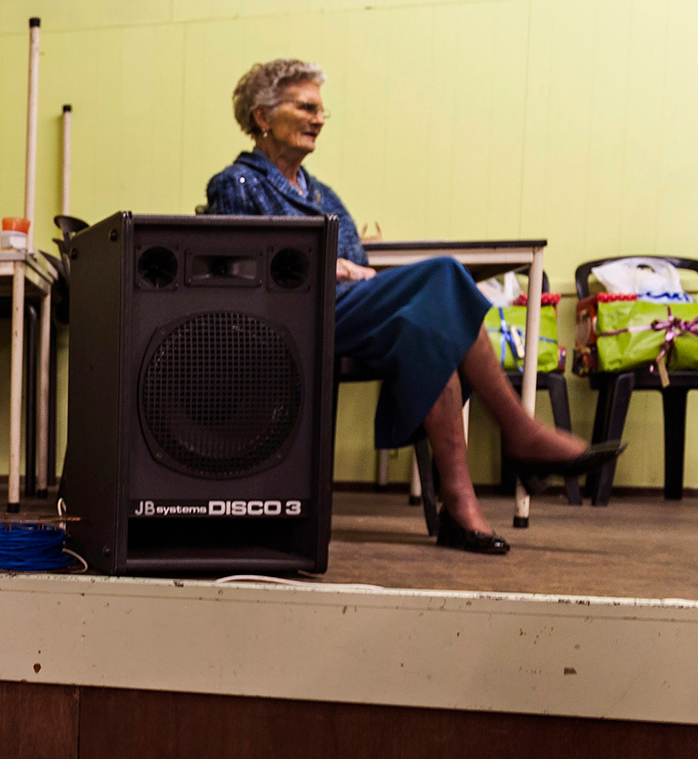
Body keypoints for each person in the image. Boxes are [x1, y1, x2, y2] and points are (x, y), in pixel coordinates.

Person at [206, 59, 623, 553]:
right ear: (262, 118)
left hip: (346, 314)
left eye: (322, 109)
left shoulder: (321, 192)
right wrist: (328, 266)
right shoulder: (235, 183)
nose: (319, 118)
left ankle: (460, 505)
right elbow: (239, 271)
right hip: (295, 318)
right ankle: (521, 432)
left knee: (428, 330)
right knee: (445, 272)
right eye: (305, 107)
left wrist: (349, 268)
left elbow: (359, 262)